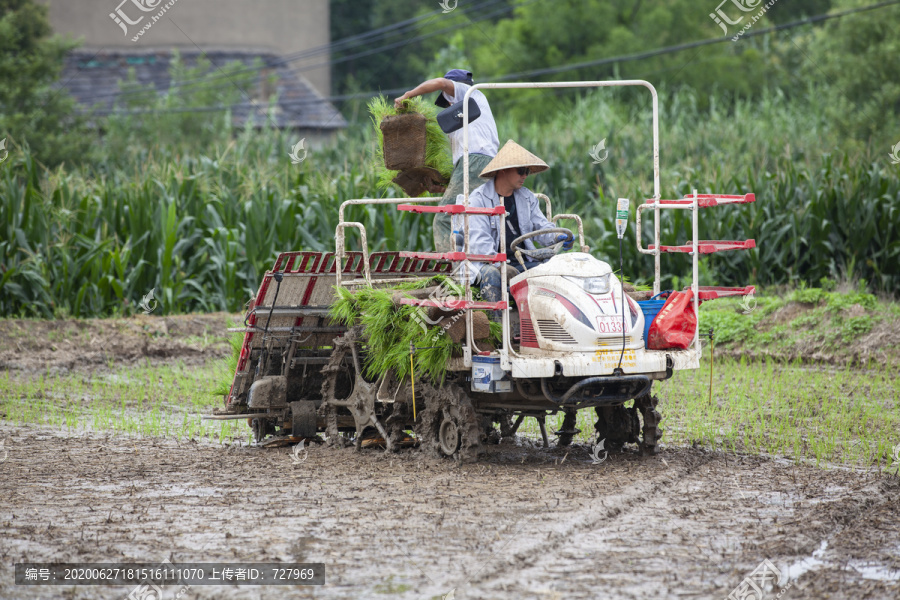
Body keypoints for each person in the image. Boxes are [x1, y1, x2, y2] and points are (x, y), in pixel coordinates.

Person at [454, 140, 573, 306]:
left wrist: (557, 236)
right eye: (521, 171)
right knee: (494, 276)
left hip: (522, 261)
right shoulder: (478, 200)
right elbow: (480, 242)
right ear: (503, 170)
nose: (525, 175)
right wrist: (500, 265)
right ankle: (498, 327)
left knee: (554, 272)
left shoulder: (526, 197)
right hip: (489, 264)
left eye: (527, 171)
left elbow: (541, 226)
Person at [394, 69, 499, 252]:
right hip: (478, 164)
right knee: (471, 220)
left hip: (474, 161)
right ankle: (474, 268)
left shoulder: (468, 94)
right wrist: (443, 188)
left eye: (447, 96)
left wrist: (407, 95)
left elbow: (441, 83)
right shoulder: (464, 118)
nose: (448, 102)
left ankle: (450, 272)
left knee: (443, 219)